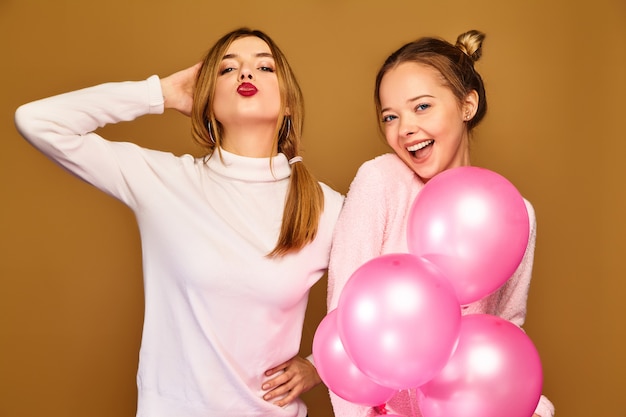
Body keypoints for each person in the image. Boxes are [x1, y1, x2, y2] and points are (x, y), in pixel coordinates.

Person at [15, 28, 344, 417]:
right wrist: (161, 94)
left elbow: (375, 311)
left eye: (264, 66)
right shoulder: (161, 181)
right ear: (206, 102)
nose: (246, 74)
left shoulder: (325, 207)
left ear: (288, 102)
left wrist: (319, 365)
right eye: (227, 69)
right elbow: (37, 121)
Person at [327, 30, 555, 417]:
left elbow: (508, 325)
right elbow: (343, 320)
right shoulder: (381, 181)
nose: (404, 129)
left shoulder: (515, 214)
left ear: (467, 105)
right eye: (390, 116)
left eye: (422, 107)